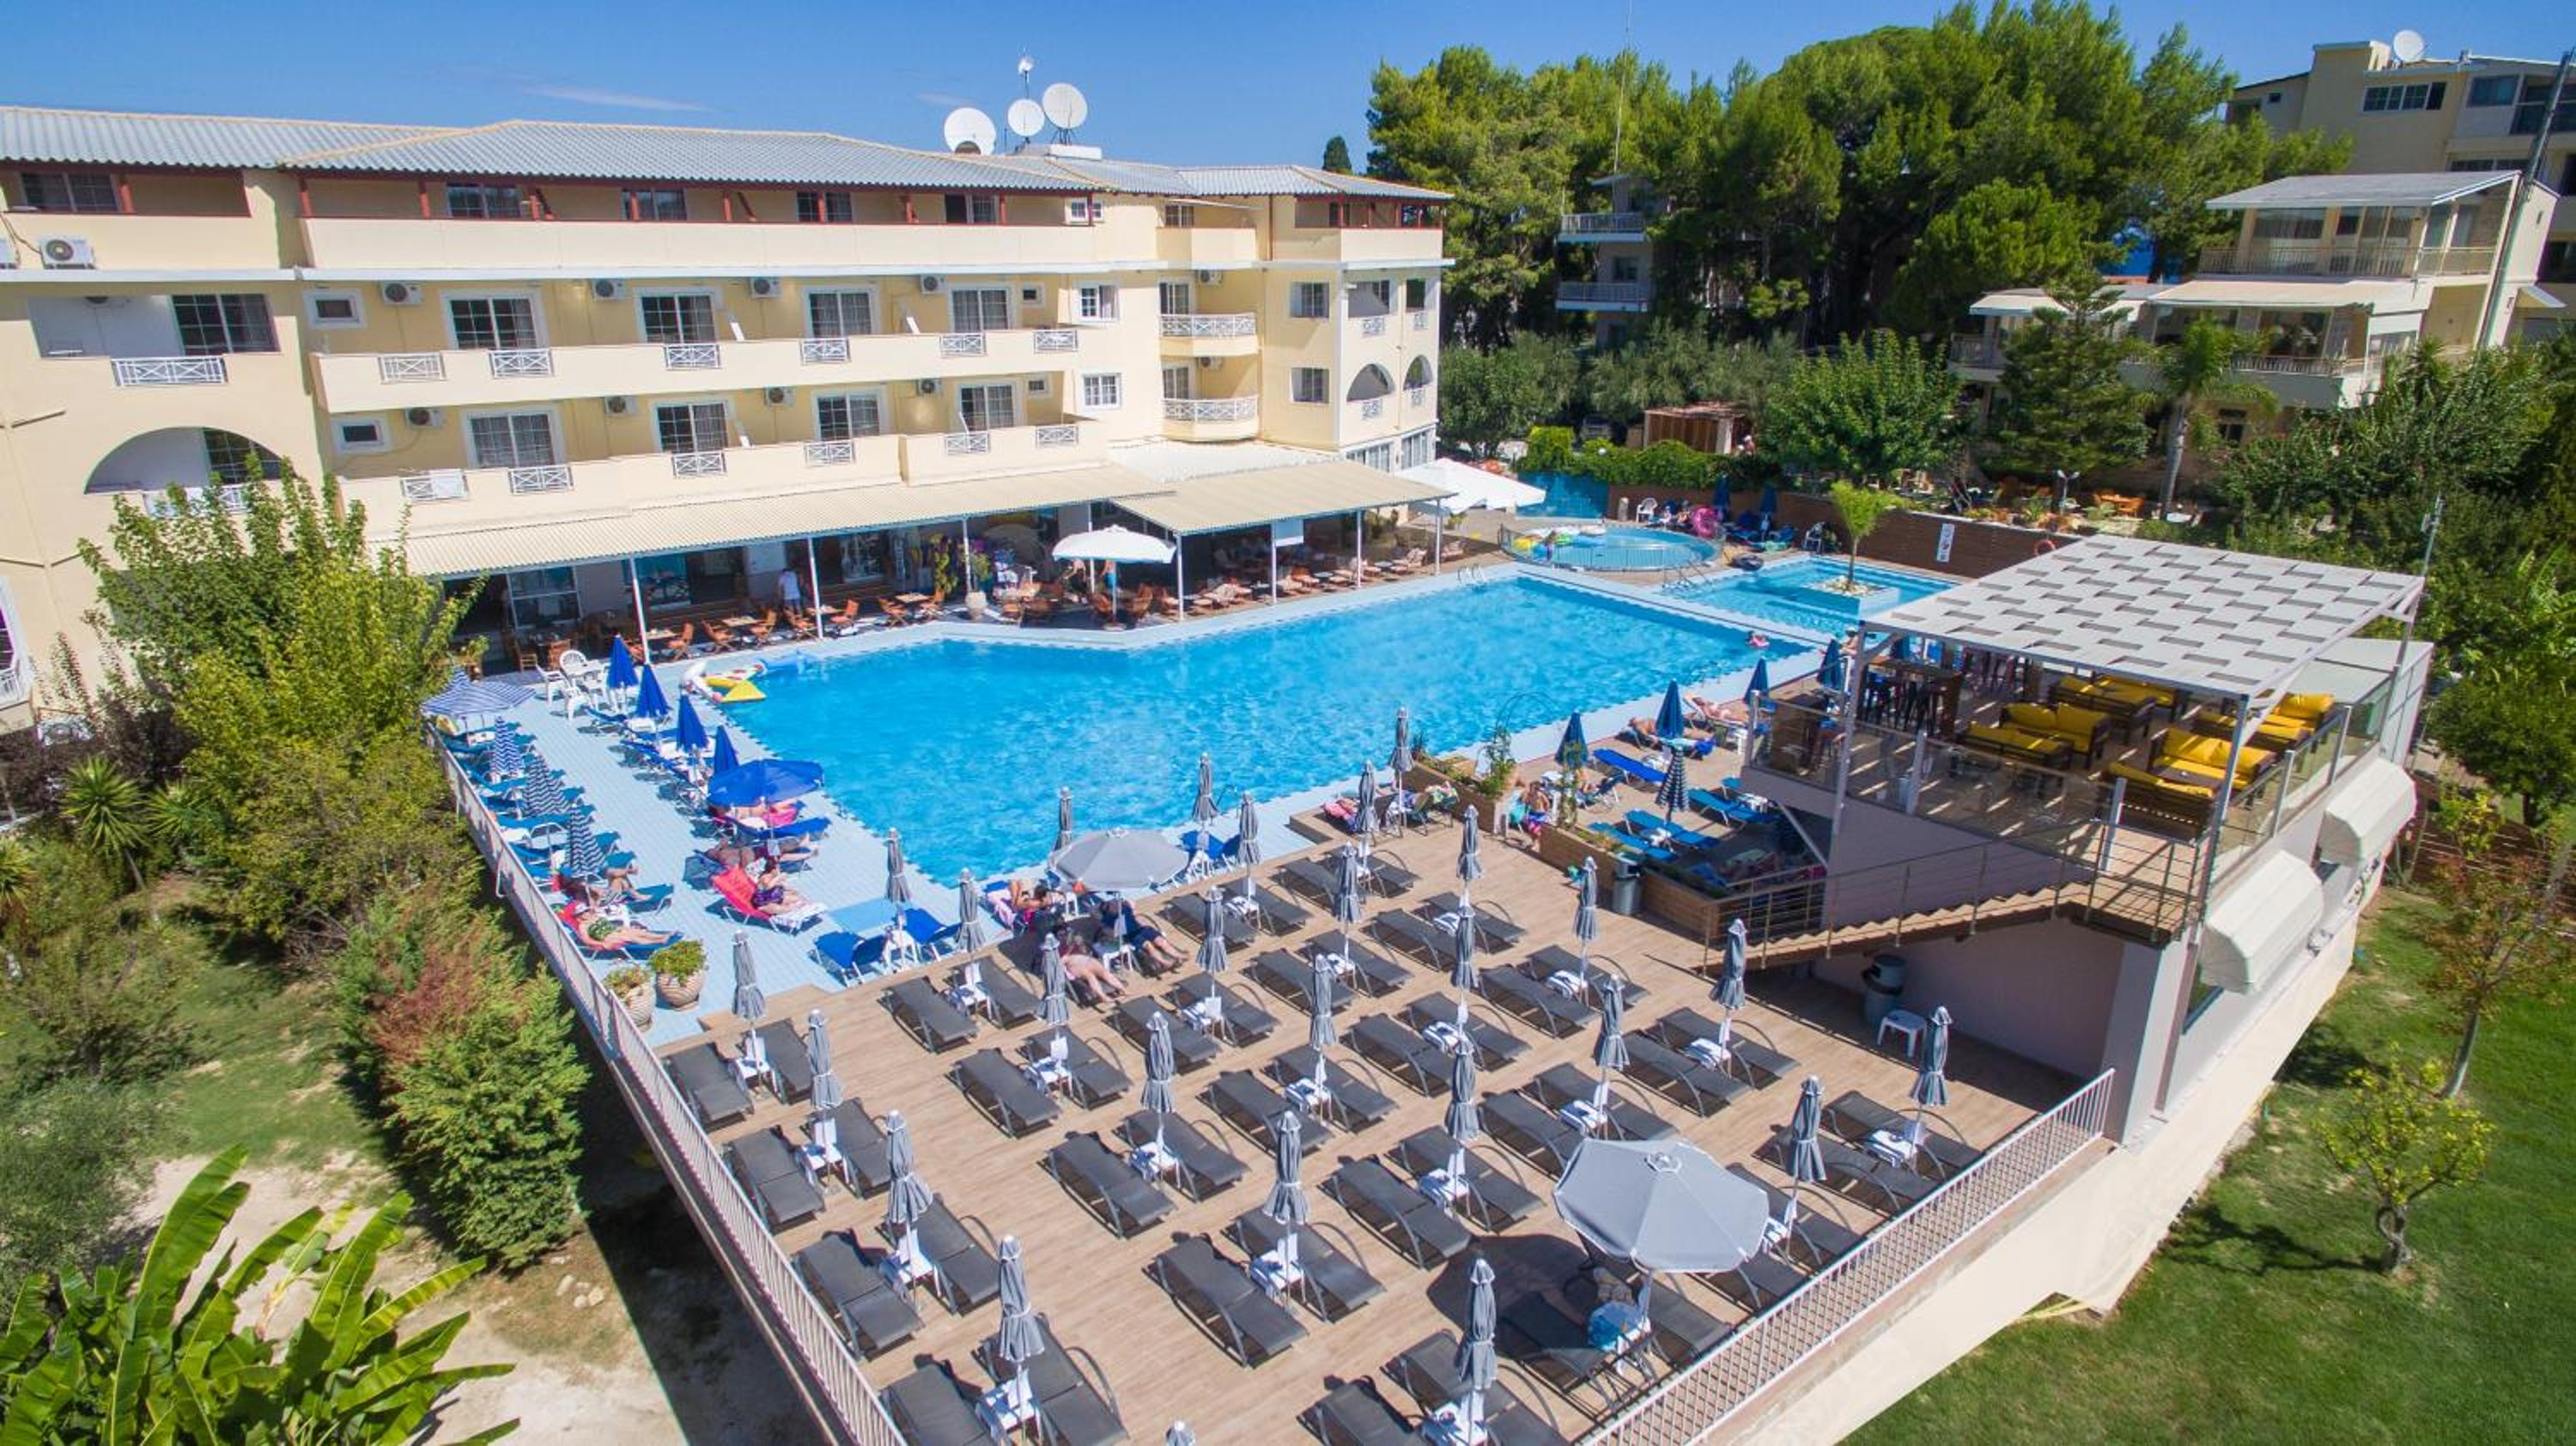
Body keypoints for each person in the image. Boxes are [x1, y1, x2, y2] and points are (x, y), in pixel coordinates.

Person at [1097, 895, 1182, 970]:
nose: (1111, 905)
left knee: (1161, 941)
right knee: (1148, 945)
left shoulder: (1124, 908)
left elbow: (1133, 908)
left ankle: (1178, 956)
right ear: (1106, 911)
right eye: (1108, 906)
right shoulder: (1107, 919)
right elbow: (1109, 932)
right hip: (1131, 935)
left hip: (1142, 929)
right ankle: (1165, 963)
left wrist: (1126, 904)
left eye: (1111, 903)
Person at [1054, 933, 1127, 1003]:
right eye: (1061, 935)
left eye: (1065, 934)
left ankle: (1123, 990)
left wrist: (1081, 944)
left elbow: (1085, 951)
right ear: (1056, 937)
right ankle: (1104, 997)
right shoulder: (1057, 950)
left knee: (1104, 972)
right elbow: (1060, 963)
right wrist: (1067, 954)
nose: (1063, 936)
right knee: (1090, 976)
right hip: (1075, 966)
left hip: (1087, 960)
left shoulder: (1072, 943)